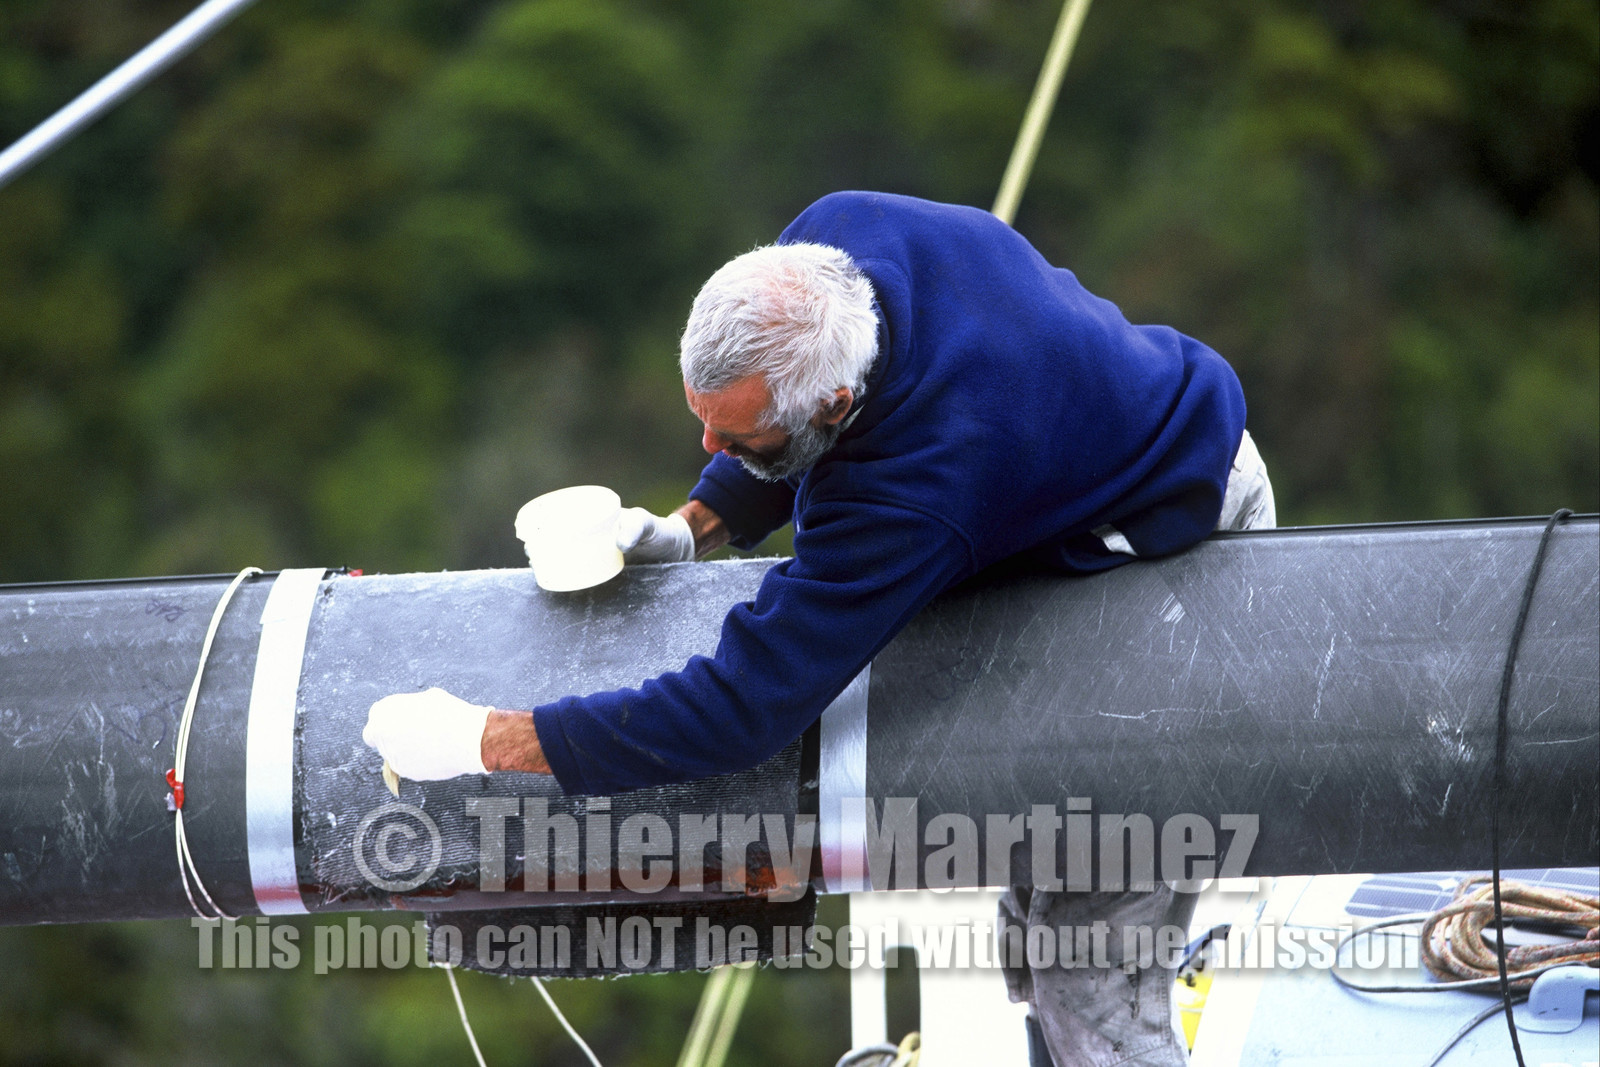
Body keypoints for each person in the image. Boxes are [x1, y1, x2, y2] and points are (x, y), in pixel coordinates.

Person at [363, 190, 1275, 1066]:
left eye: (736, 441)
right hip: (1100, 433)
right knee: (1028, 909)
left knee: (1085, 953)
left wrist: (485, 739)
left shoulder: (922, 487)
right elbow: (780, 437)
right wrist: (691, 526)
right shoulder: (834, 237)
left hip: (1177, 534)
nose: (709, 450)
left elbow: (744, 709)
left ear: (837, 406)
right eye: (704, 424)